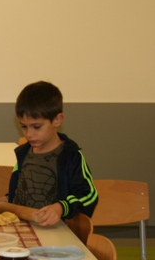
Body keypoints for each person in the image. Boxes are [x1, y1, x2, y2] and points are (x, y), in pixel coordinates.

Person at [8, 81, 98, 226]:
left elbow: (89, 195)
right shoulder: (23, 154)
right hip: (24, 228)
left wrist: (61, 207)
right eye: (24, 127)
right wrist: (7, 199)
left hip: (57, 231)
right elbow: (20, 189)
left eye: (36, 127)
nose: (29, 134)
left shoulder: (70, 156)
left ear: (57, 120)